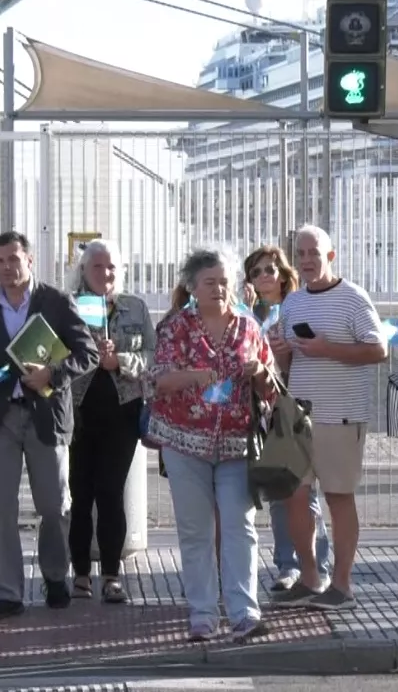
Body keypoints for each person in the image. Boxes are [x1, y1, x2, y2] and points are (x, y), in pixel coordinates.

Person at [0, 230, 99, 620]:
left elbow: (87, 352)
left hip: (46, 416)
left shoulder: (56, 301)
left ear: (30, 259)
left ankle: (56, 576)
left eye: (14, 259)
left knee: (54, 504)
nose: (7, 268)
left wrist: (52, 374)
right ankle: (8, 591)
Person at [146, 247, 272, 642]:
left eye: (224, 281)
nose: (218, 289)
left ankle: (244, 613)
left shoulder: (248, 326)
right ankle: (202, 614)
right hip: (185, 444)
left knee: (240, 527)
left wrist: (261, 372)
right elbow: (158, 380)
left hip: (236, 442)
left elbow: (271, 383)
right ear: (192, 287)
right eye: (210, 282)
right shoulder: (176, 327)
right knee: (196, 531)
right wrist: (196, 376)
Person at [270, 225, 387, 611]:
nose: (306, 260)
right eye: (300, 253)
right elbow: (285, 365)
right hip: (297, 412)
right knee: (293, 496)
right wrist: (281, 349)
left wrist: (326, 348)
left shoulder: (353, 298)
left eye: (313, 253)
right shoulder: (292, 304)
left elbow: (378, 350)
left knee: (338, 497)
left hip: (341, 414)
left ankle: (342, 585)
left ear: (330, 256)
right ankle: (309, 577)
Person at [67, 239, 153, 604]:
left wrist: (121, 362)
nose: (105, 274)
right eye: (97, 267)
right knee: (80, 493)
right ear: (84, 270)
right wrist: (87, 354)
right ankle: (81, 573)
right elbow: (53, 353)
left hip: (122, 410)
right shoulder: (69, 306)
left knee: (111, 492)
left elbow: (152, 353)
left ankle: (112, 575)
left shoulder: (135, 307)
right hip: (78, 411)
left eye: (112, 267)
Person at [241, 245, 331, 591]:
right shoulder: (245, 313)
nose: (264, 276)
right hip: (261, 411)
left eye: (270, 269)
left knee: (302, 490)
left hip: (293, 407)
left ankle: (317, 565)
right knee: (279, 492)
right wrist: (247, 311)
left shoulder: (295, 307)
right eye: (256, 271)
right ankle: (287, 564)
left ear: (282, 274)